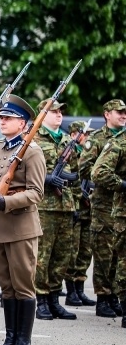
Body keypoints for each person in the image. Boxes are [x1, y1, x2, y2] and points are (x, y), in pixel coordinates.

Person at [0, 95, 45, 345]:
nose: (2, 121)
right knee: (6, 288)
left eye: (8, 118)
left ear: (22, 123)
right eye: (1, 118)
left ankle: (23, 344)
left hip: (21, 229)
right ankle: (9, 340)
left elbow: (36, 193)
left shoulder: (32, 152)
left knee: (23, 288)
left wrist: (7, 201)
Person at [79, 99, 126, 318]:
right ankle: (103, 297)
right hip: (102, 203)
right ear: (107, 114)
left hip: (119, 204)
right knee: (103, 251)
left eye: (124, 113)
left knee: (119, 252)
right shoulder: (97, 139)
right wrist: (113, 181)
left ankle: (116, 295)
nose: (123, 115)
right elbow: (86, 169)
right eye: (119, 112)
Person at [33, 99, 78, 321]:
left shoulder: (68, 140)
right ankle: (40, 300)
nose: (59, 114)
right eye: (54, 111)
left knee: (62, 256)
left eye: (61, 111)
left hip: (66, 205)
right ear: (43, 114)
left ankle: (54, 299)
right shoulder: (34, 139)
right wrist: (46, 178)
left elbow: (76, 174)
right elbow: (23, 172)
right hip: (44, 207)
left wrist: (77, 203)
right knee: (43, 255)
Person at [91, 128, 126, 328]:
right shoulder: (119, 142)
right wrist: (122, 185)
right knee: (117, 259)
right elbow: (97, 172)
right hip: (119, 211)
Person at [66, 120, 95, 307]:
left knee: (85, 252)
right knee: (72, 252)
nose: (88, 137)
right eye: (85, 133)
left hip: (88, 210)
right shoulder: (70, 153)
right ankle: (71, 292)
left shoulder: (89, 153)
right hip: (75, 208)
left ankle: (80, 289)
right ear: (75, 134)